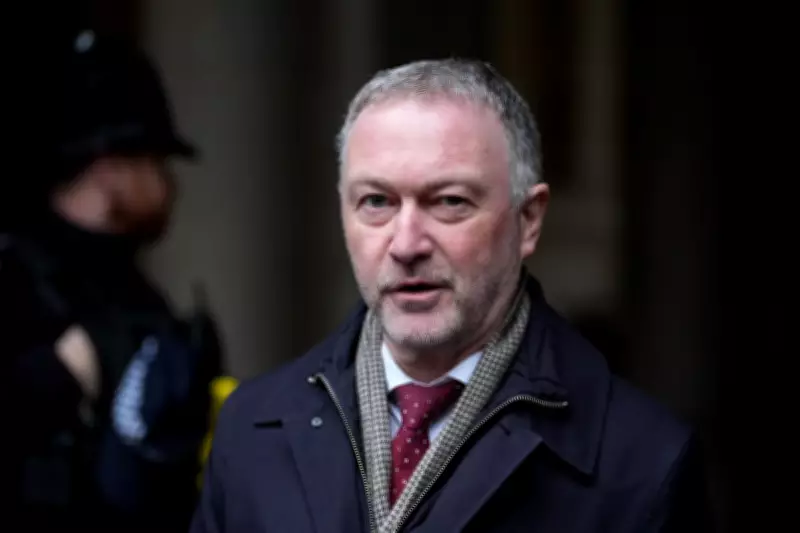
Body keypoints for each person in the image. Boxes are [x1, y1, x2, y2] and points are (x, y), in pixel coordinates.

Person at [191, 59, 713, 533]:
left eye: (449, 202)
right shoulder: (251, 430)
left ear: (528, 221)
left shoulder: (643, 464)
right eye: (376, 201)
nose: (406, 244)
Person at [0, 28, 222, 532]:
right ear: (109, 167)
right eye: (154, 162)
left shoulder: (132, 295)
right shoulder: (18, 291)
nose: (167, 184)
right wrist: (54, 381)